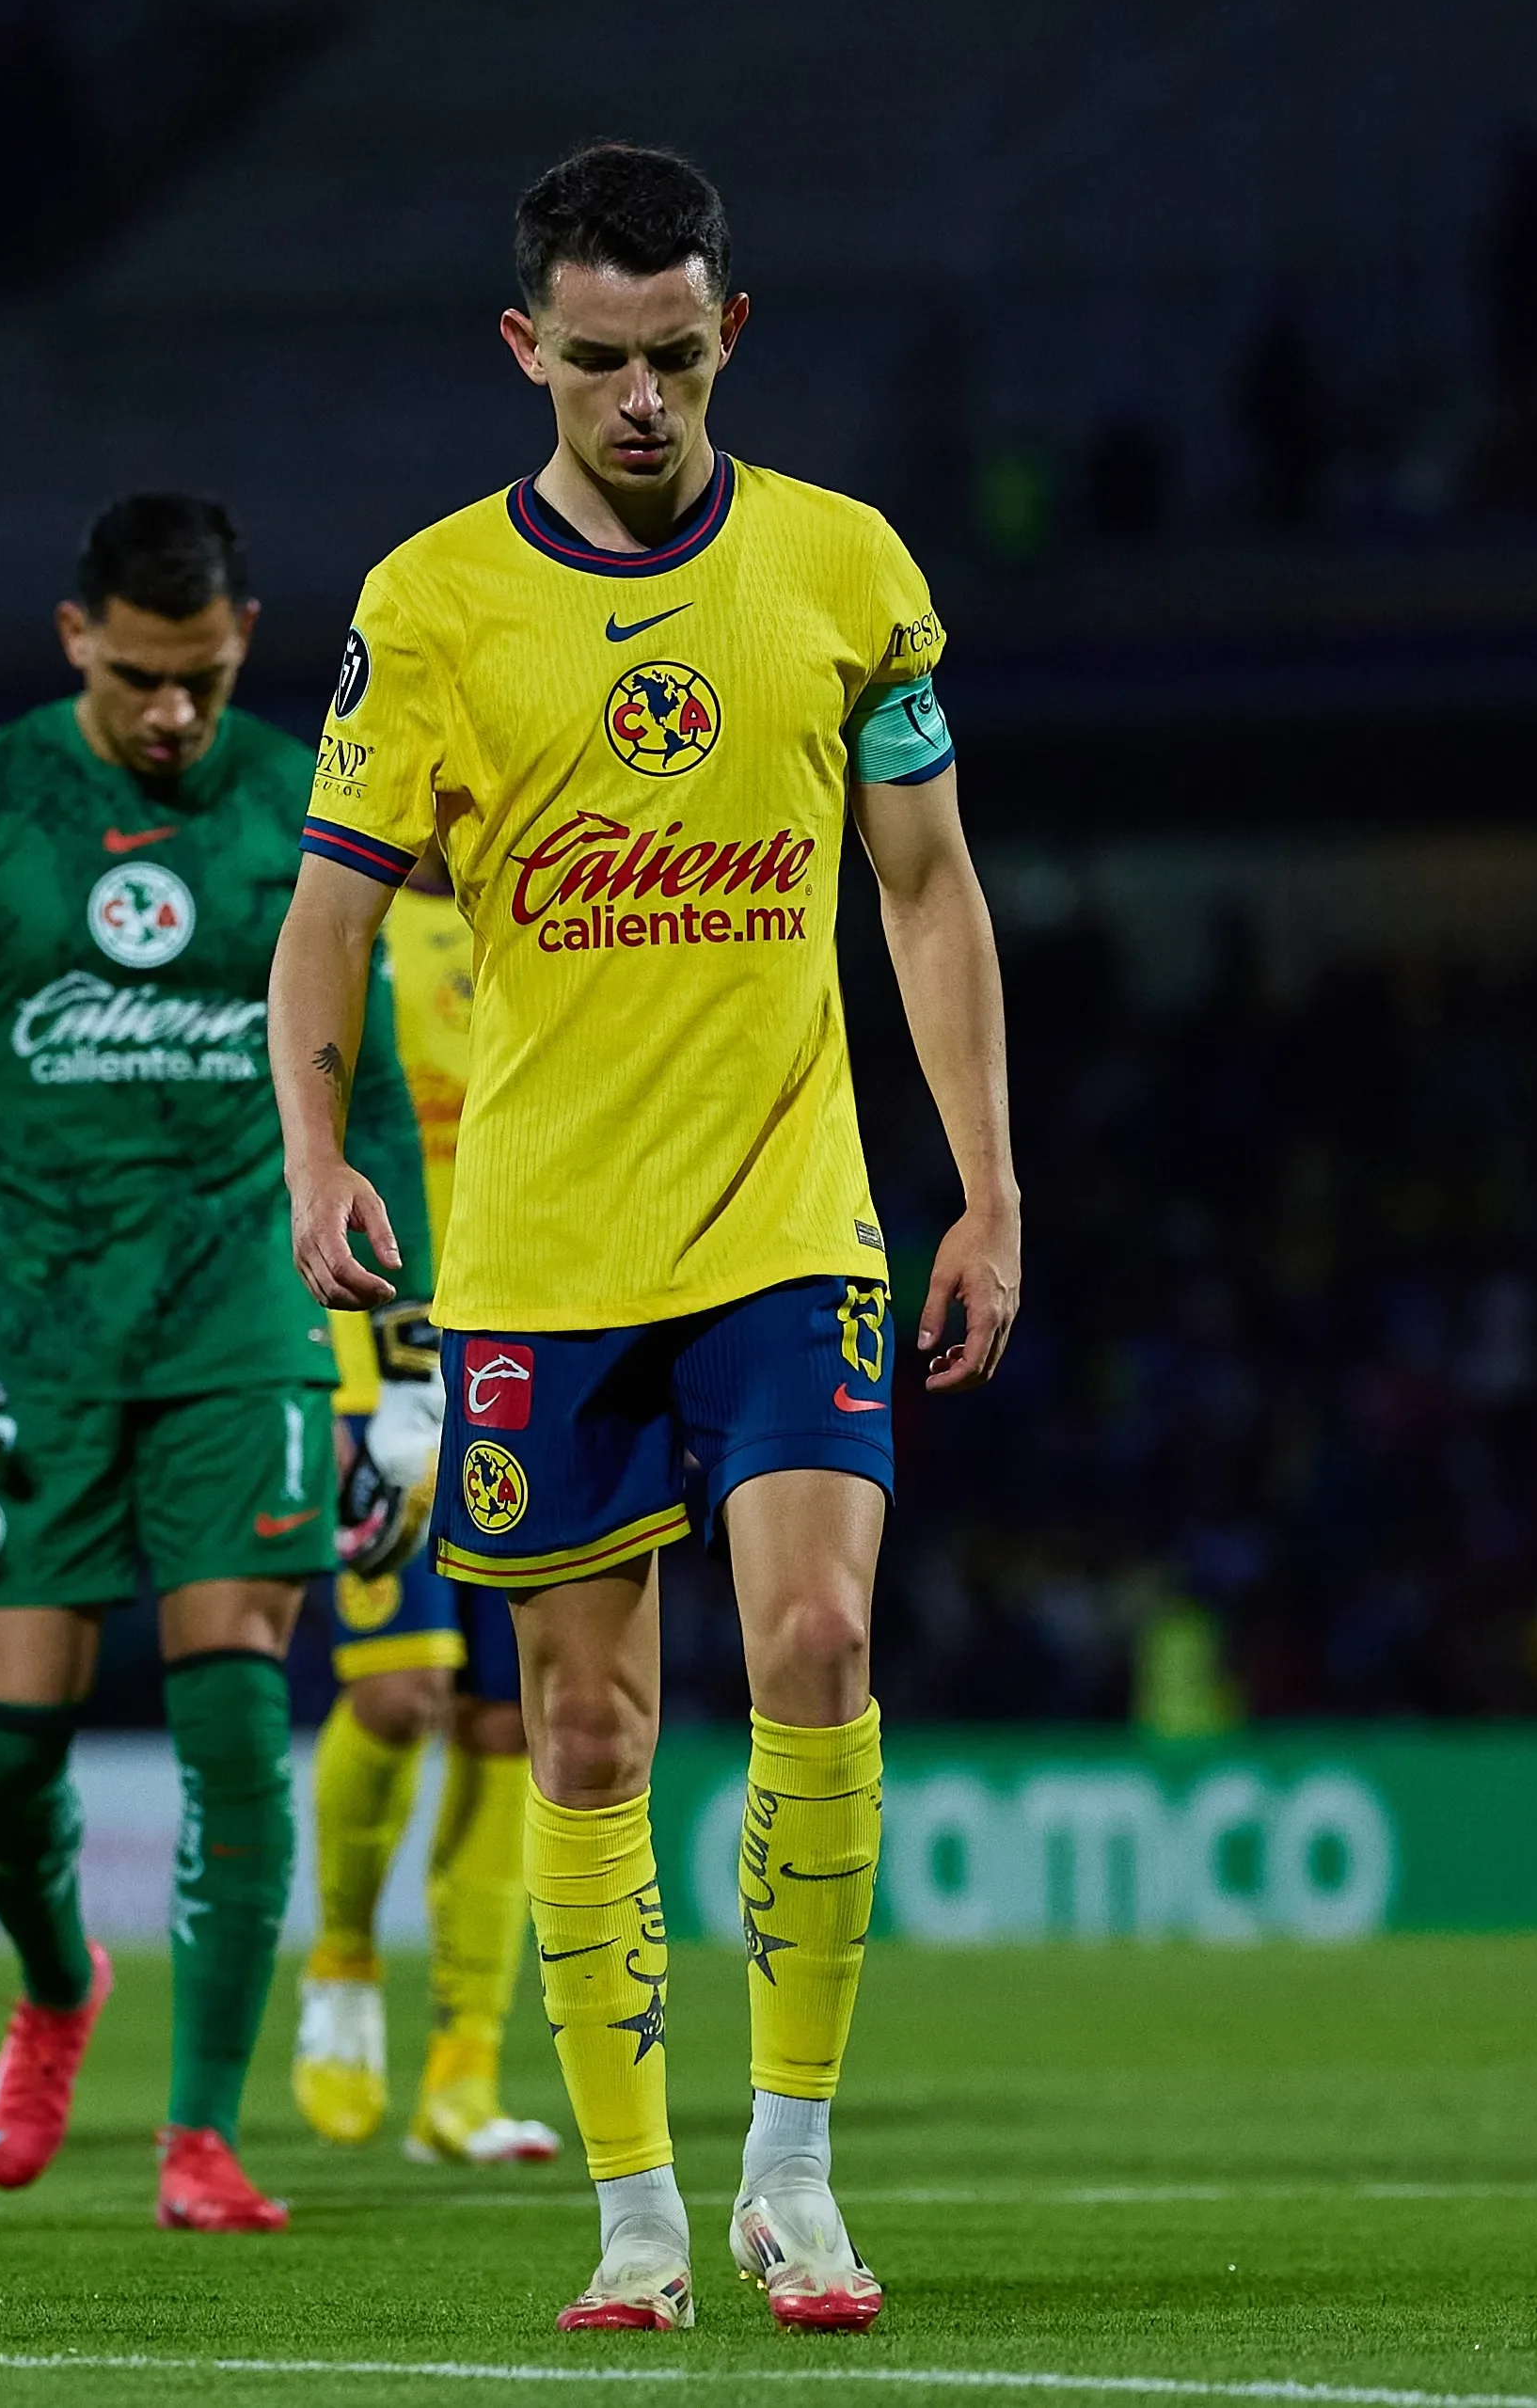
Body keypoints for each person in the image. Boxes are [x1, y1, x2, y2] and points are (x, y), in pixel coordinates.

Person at [272, 142, 1020, 2334]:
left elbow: (923, 886)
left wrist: (982, 1178)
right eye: (590, 360)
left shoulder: (843, 568)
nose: (632, 400)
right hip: (530, 1249)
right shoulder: (423, 609)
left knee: (809, 1646)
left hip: (791, 1218)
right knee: (580, 1736)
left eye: (670, 358)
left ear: (729, 337)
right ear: (524, 346)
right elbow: (322, 921)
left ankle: (789, 2170)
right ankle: (628, 2214)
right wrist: (317, 1158)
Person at [0, 493, 433, 2234]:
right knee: (1, 1770)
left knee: (237, 1714)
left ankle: (200, 2132)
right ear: (74, 633)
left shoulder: (294, 803)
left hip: (240, 1333)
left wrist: (405, 1362)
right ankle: (55, 1979)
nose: (175, 714)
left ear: (247, 634)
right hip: (28, 1343)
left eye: (208, 674)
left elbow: (369, 1089)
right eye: (144, 677)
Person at [292, 844, 558, 2170]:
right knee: (397, 1696)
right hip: (364, 1359)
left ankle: (464, 2067)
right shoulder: (338, 927)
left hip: (525, 1347)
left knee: (509, 1717)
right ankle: (341, 1961)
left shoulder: (550, 915)